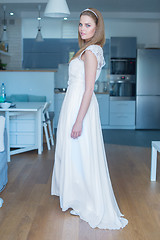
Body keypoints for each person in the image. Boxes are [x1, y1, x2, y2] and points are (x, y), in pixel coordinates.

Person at [51, 8, 128, 230]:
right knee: (77, 153)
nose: (83, 29)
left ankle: (87, 200)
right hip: (74, 104)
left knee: (81, 152)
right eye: (81, 24)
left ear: (97, 28)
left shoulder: (92, 51)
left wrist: (78, 120)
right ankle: (79, 197)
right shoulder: (86, 50)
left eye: (88, 25)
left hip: (80, 107)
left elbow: (88, 90)